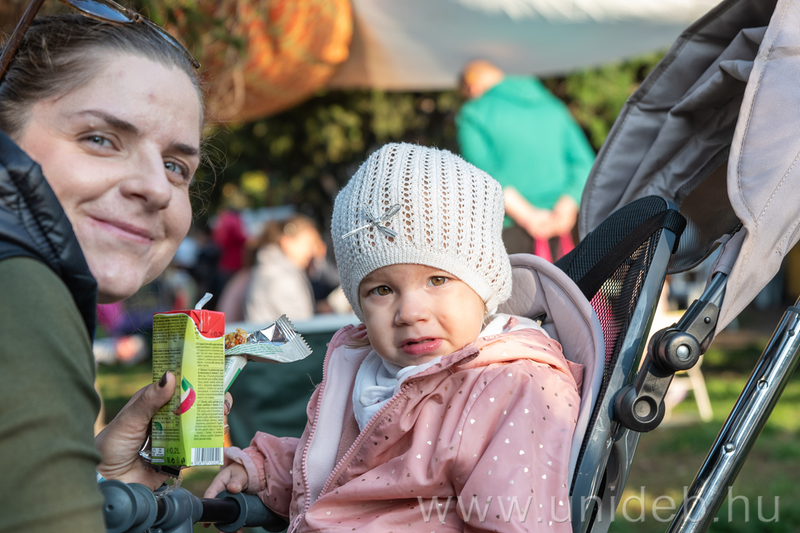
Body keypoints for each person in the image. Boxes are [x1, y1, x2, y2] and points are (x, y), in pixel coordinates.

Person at [206, 143, 583, 531]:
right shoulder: (368, 373)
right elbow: (338, 471)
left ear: (484, 284)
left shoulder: (511, 386)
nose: (410, 313)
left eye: (437, 280)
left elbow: (514, 521)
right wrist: (264, 468)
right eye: (382, 290)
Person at [0, 9, 225, 531]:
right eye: (100, 139)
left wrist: (95, 484)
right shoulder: (21, 287)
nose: (156, 188)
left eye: (176, 166)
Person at [456, 60, 596, 260]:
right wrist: (567, 206)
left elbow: (482, 173)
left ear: (470, 85)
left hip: (506, 233)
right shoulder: (554, 107)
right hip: (561, 228)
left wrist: (529, 215)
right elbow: (584, 162)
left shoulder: (473, 112)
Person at [243, 214, 321, 324]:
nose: (312, 252)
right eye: (308, 244)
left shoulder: (269, 268)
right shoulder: (282, 277)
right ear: (287, 242)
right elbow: (301, 325)